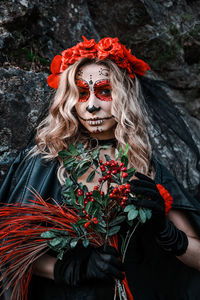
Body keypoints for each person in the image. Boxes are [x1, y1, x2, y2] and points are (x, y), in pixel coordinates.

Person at [1, 36, 200, 300]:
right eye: (82, 93)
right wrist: (68, 269)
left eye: (104, 91)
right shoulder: (47, 161)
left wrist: (166, 232)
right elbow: (8, 248)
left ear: (124, 96)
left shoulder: (144, 165)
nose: (93, 105)